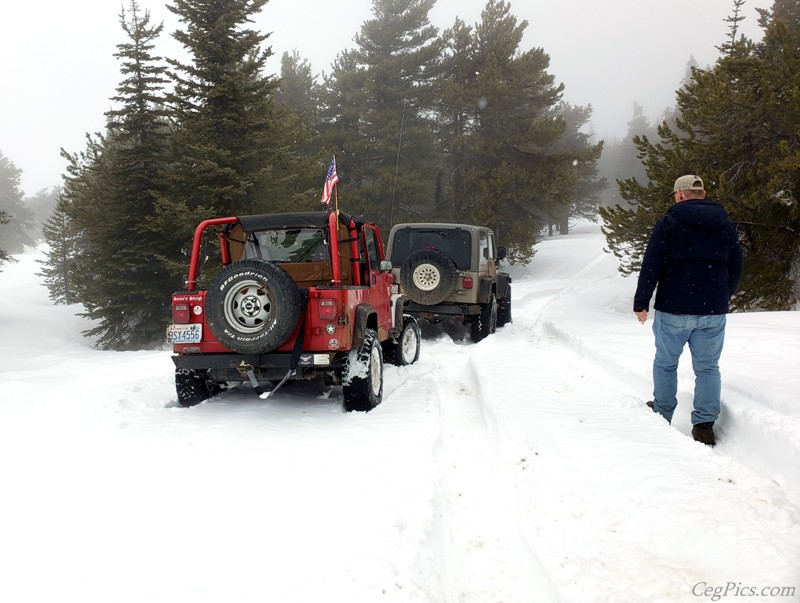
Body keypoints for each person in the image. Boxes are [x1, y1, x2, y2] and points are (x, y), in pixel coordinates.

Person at [633, 175, 743, 446]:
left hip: (674, 308)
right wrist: (722, 296)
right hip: (713, 311)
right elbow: (737, 265)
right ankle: (704, 425)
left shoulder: (669, 222)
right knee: (707, 368)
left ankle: (662, 412)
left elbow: (652, 264)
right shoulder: (725, 225)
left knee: (666, 364)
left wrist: (641, 302)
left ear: (680, 195)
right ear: (702, 194)